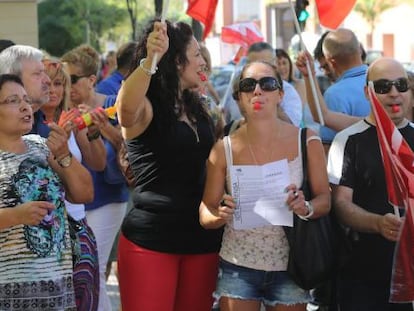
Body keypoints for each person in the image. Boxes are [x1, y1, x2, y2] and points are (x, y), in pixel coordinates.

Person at [199, 60, 331, 311]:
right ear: (239, 97)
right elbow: (205, 211)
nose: (257, 91)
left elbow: (325, 200)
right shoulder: (223, 148)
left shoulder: (307, 141)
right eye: (248, 85)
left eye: (267, 84)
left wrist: (305, 207)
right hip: (238, 263)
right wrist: (219, 215)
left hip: (291, 264)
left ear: (280, 94)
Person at [116, 20, 223, 311]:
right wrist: (151, 60)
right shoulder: (146, 106)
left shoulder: (197, 106)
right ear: (177, 61)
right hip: (151, 240)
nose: (204, 61)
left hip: (201, 239)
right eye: (197, 54)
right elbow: (124, 110)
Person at [0, 73, 94, 309]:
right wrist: (15, 216)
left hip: (58, 290)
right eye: (12, 101)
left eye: (25, 99)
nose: (24, 107)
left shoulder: (41, 146)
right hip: (9, 296)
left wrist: (63, 154)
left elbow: (85, 193)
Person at [328, 57, 414, 311]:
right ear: (367, 92)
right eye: (383, 86)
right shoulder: (348, 141)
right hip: (363, 275)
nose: (394, 93)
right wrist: (377, 223)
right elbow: (340, 204)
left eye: (401, 84)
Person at [61, 44, 129, 311]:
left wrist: (104, 130)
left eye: (72, 80)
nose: (68, 86)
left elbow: (131, 151)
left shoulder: (112, 105)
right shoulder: (63, 110)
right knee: (81, 272)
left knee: (95, 270)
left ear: (91, 81)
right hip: (76, 203)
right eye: (63, 81)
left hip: (108, 198)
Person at [41, 58, 107, 311]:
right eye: (47, 83)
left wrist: (93, 129)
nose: (53, 90)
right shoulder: (27, 123)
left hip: (76, 222)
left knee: (82, 297)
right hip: (44, 227)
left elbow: (99, 163)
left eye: (59, 83)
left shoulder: (71, 118)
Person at [319, 28, 370, 152]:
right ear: (360, 49)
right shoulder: (385, 81)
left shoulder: (334, 95)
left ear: (331, 61)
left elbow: (329, 148)